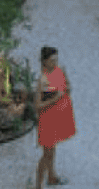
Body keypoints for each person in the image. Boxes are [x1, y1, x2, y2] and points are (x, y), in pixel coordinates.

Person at [35, 46, 76, 189]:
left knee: (52, 151)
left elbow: (67, 86)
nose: (55, 62)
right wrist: (55, 98)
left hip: (59, 116)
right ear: (44, 62)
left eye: (56, 59)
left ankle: (51, 176)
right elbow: (38, 105)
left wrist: (68, 88)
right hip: (48, 120)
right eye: (52, 60)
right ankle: (38, 186)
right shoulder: (42, 80)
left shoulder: (60, 70)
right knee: (46, 154)